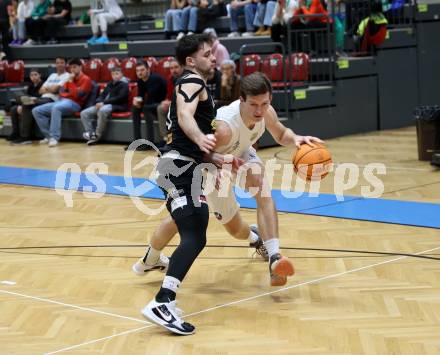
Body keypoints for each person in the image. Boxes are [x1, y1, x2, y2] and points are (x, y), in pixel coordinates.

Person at [133, 72, 323, 290]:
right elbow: (197, 151)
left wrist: (296, 139)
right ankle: (253, 238)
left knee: (263, 189)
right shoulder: (223, 127)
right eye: (254, 104)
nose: (260, 110)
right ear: (241, 99)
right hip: (209, 169)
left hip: (240, 157)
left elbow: (281, 134)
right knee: (227, 228)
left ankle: (274, 257)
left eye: (265, 103)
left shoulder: (265, 111)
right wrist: (216, 165)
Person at [139, 34, 217, 335]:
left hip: (181, 166)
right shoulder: (192, 82)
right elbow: (184, 116)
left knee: (194, 229)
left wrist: (217, 156)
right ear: (190, 60)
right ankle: (162, 301)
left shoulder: (194, 83)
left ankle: (156, 273)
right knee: (195, 233)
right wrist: (200, 139)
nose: (213, 58)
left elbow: (187, 123)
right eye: (207, 54)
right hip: (179, 166)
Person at [33, 58, 92, 147]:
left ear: (80, 67)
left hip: (75, 104)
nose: (72, 70)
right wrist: (69, 92)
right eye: (71, 68)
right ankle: (48, 136)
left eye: (75, 67)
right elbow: (62, 92)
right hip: (62, 101)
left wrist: (71, 84)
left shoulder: (86, 79)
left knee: (56, 108)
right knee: (37, 110)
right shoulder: (69, 78)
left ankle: (54, 137)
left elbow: (78, 96)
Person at [11, 57, 70, 144]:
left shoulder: (67, 76)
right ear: (55, 64)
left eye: (62, 62)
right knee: (18, 96)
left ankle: (26, 137)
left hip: (52, 100)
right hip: (42, 98)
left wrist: (49, 89)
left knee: (27, 104)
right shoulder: (52, 75)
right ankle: (19, 134)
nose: (59, 64)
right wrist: (51, 89)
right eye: (57, 63)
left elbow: (56, 90)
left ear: (66, 64)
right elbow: (41, 90)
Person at [80, 66, 128, 145]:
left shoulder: (124, 85)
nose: (114, 76)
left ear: (122, 74)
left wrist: (103, 103)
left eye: (117, 73)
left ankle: (97, 135)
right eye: (113, 74)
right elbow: (102, 95)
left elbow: (119, 98)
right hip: (104, 104)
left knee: (102, 110)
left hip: (117, 105)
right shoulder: (110, 84)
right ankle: (90, 134)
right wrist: (98, 101)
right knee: (84, 113)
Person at [125, 60, 167, 151]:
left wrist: (143, 103)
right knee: (135, 109)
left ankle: (149, 143)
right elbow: (141, 95)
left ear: (148, 69)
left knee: (146, 108)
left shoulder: (155, 79)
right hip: (151, 104)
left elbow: (157, 97)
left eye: (142, 70)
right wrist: (137, 101)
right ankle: (137, 142)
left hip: (162, 103)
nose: (139, 73)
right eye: (137, 71)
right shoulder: (140, 81)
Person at [6, 68, 42, 141]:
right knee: (13, 109)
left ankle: (25, 136)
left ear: (40, 75)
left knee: (25, 108)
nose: (33, 77)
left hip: (37, 104)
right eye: (31, 75)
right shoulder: (30, 86)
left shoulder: (43, 85)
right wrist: (21, 104)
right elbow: (27, 97)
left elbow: (40, 98)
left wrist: (24, 105)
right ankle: (15, 132)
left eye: (35, 75)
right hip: (28, 103)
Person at [157, 58, 183, 146]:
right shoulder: (171, 78)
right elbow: (168, 95)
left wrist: (171, 103)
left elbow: (185, 98)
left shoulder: (187, 78)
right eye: (171, 68)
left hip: (187, 105)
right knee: (161, 108)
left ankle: (176, 140)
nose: (173, 70)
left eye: (176, 67)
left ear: (182, 67)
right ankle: (165, 138)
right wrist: (166, 101)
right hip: (175, 104)